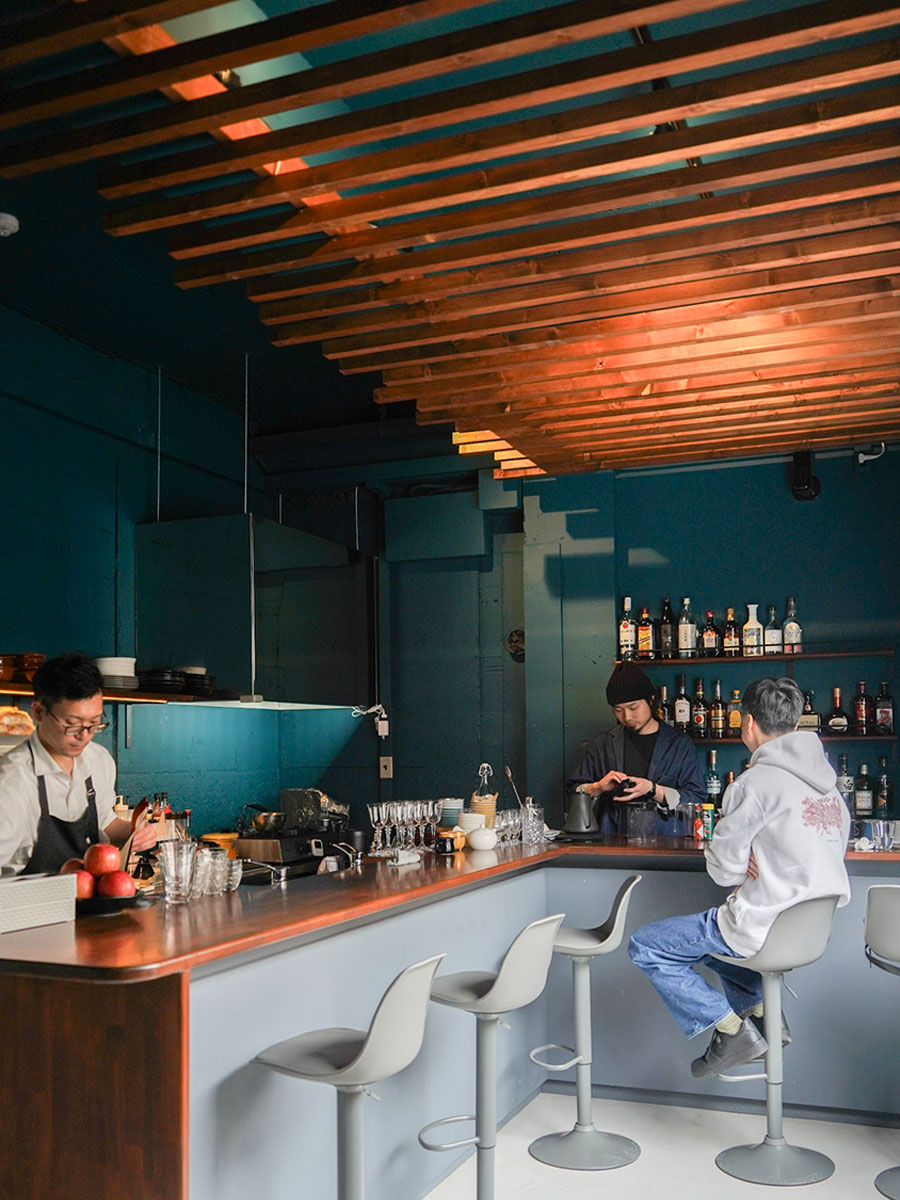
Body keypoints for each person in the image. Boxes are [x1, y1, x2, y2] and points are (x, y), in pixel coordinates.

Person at [627, 676, 850, 1077]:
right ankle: (765, 1015)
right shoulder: (830, 789)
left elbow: (723, 870)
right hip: (809, 932)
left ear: (747, 723)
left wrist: (740, 854)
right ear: (795, 724)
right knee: (709, 951)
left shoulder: (754, 784)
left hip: (759, 925)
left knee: (647, 946)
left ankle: (731, 1030)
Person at [0, 653, 157, 874]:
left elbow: (104, 822)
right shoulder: (11, 782)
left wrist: (134, 833)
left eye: (94, 723)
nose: (84, 736)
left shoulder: (99, 760)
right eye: (72, 724)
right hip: (32, 897)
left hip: (90, 896)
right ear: (38, 712)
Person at [566, 661, 706, 835]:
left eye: (633, 707)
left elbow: (697, 800)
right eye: (618, 710)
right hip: (611, 843)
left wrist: (654, 790)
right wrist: (597, 787)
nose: (627, 717)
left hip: (666, 843)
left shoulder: (679, 744)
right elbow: (573, 792)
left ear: (651, 700)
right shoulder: (603, 744)